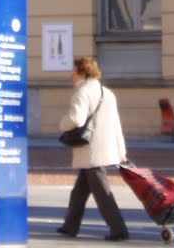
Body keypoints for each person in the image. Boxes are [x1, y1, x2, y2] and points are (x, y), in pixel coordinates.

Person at [58, 55, 129, 241]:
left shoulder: (82, 92)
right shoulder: (107, 92)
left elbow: (76, 119)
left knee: (102, 193)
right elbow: (116, 124)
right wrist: (121, 150)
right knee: (80, 190)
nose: (71, 75)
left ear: (81, 72)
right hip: (105, 147)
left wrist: (62, 124)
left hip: (90, 149)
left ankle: (119, 229)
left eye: (73, 71)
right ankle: (69, 226)